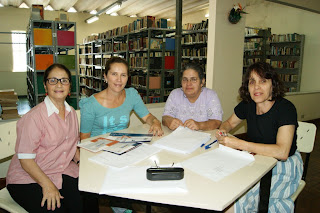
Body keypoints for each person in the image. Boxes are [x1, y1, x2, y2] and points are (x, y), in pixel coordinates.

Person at [216, 62, 303, 212]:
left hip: (284, 165)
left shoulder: (286, 108)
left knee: (235, 201)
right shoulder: (248, 104)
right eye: (252, 81)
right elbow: (229, 123)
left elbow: (282, 152)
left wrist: (240, 144)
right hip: (256, 159)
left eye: (263, 81)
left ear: (273, 85)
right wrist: (222, 132)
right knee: (225, 186)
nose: (256, 87)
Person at [6, 64, 83, 213]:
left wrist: (80, 162)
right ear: (45, 86)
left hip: (59, 169)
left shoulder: (72, 112)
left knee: (85, 200)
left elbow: (71, 144)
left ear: (70, 86)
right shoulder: (33, 117)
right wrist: (47, 185)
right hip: (28, 177)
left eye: (64, 80)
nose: (59, 84)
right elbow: (26, 160)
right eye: (53, 80)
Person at [80, 56, 163, 140]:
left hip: (123, 145)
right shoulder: (90, 104)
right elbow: (84, 138)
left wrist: (155, 121)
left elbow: (147, 117)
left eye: (123, 75)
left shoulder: (131, 95)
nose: (119, 79)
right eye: (114, 74)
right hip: (98, 149)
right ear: (105, 76)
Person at [162, 63, 223, 131]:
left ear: (202, 82)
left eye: (193, 79)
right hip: (179, 138)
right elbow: (165, 118)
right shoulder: (175, 94)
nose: (188, 84)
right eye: (185, 79)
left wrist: (199, 125)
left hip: (204, 137)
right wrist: (169, 121)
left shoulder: (210, 95)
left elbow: (217, 122)